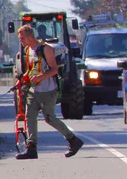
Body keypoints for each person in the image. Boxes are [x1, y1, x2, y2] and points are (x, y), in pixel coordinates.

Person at [15, 25, 84, 160]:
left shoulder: (46, 49)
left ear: (30, 36)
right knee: (30, 117)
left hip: (48, 91)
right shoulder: (28, 50)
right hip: (34, 90)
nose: (21, 41)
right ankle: (31, 149)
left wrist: (40, 77)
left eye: (22, 38)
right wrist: (23, 79)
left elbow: (54, 70)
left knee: (50, 119)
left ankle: (73, 140)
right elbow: (31, 69)